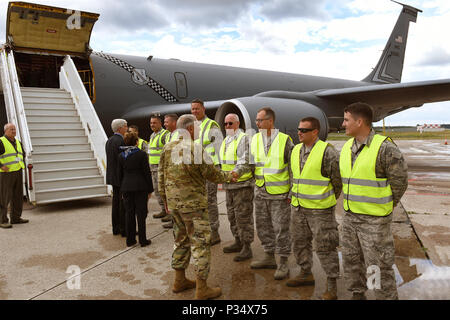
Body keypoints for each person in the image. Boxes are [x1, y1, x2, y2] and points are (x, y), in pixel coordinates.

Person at [158, 114, 236, 300]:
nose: (199, 131)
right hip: (194, 206)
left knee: (180, 241)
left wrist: (166, 201)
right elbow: (212, 174)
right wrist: (230, 176)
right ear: (190, 128)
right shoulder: (195, 148)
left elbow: (161, 177)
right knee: (200, 244)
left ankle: (179, 281)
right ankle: (202, 289)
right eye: (198, 128)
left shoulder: (167, 147)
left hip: (175, 206)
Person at [340, 102, 408, 300]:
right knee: (352, 260)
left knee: (377, 266)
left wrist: (385, 205)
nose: (343, 124)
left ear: (359, 122)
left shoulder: (384, 148)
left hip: (375, 221)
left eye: (346, 120)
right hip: (350, 217)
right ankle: (357, 294)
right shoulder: (346, 148)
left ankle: (382, 297)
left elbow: (400, 182)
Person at [287, 117, 342, 300]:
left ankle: (331, 284)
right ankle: (305, 273)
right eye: (298, 129)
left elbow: (337, 181)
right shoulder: (295, 150)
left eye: (304, 130)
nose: (299, 132)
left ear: (315, 132)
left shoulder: (327, 152)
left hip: (320, 211)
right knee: (299, 243)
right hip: (298, 208)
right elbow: (293, 176)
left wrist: (325, 198)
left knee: (326, 246)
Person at [250, 107, 294, 280]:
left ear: (270, 121)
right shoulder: (254, 139)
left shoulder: (285, 140)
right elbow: (251, 164)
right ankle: (269, 256)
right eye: (256, 120)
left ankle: (283, 262)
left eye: (260, 120)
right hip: (260, 192)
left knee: (281, 229)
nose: (257, 123)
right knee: (263, 226)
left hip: (279, 195)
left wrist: (292, 191)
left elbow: (293, 168)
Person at [219, 113, 255, 262]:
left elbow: (245, 160)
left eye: (230, 123)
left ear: (238, 124)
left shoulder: (244, 138)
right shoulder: (226, 140)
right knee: (232, 215)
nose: (227, 126)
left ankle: (247, 246)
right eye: (226, 124)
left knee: (243, 217)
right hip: (229, 185)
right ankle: (238, 241)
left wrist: (234, 173)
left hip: (242, 185)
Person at [191, 99, 223, 245]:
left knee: (210, 201)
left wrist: (219, 168)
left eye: (197, 109)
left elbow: (219, 146)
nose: (194, 111)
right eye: (192, 109)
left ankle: (214, 233)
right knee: (201, 201)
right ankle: (206, 230)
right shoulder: (194, 126)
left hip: (211, 168)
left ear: (203, 109)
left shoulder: (211, 125)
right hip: (199, 170)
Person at [118, 131, 154, 247]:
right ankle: (143, 240)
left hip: (126, 187)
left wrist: (121, 190)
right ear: (136, 142)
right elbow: (147, 173)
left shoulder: (121, 156)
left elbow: (120, 174)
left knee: (129, 213)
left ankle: (130, 239)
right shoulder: (142, 155)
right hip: (140, 187)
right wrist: (150, 189)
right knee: (141, 213)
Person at [0, 123, 28, 228]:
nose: (14, 131)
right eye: (11, 129)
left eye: (14, 129)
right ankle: (2, 220)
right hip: (6, 173)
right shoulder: (1, 141)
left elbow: (22, 154)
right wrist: (1, 166)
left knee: (17, 196)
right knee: (4, 197)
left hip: (17, 171)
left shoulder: (18, 142)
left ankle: (15, 218)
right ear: (5, 130)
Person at [106, 119, 127, 236]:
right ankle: (124, 229)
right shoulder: (121, 141)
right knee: (122, 204)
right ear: (120, 128)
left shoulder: (109, 141)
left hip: (112, 176)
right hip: (120, 177)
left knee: (115, 203)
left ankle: (116, 228)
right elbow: (122, 161)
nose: (127, 128)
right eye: (125, 126)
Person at [148, 115, 170, 221]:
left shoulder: (165, 135)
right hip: (153, 168)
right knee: (157, 191)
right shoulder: (152, 135)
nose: (152, 125)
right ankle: (163, 210)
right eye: (151, 123)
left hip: (161, 168)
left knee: (164, 191)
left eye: (154, 123)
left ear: (160, 124)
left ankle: (169, 213)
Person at [161, 113, 179, 229]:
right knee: (171, 198)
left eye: (166, 122)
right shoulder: (169, 135)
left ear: (174, 123)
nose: (164, 124)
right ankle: (174, 221)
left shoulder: (178, 134)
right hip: (169, 170)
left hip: (175, 171)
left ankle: (177, 222)